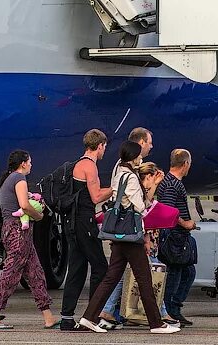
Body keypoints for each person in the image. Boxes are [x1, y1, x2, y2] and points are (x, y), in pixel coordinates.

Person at [78, 143, 179, 334]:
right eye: (139, 156)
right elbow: (140, 207)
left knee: (111, 278)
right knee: (144, 279)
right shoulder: (131, 177)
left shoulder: (118, 173)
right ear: (134, 157)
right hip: (131, 235)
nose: (141, 159)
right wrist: (149, 188)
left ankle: (88, 317)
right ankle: (156, 323)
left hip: (119, 235)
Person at [0, 150, 57, 330]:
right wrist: (39, 215)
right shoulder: (19, 179)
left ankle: (48, 317)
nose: (32, 165)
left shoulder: (8, 180)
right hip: (18, 231)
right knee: (11, 274)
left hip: (15, 231)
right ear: (23, 163)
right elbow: (24, 205)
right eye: (30, 162)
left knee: (36, 273)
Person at [59, 129, 113, 331]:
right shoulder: (89, 167)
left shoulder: (77, 164)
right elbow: (97, 196)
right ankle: (92, 315)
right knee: (100, 267)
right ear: (99, 146)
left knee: (77, 269)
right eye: (104, 147)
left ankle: (67, 316)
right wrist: (115, 188)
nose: (104, 150)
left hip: (72, 224)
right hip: (84, 223)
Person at [157, 148, 198, 327]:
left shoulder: (170, 181)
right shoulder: (173, 184)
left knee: (188, 271)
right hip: (174, 236)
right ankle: (169, 309)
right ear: (186, 164)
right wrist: (186, 223)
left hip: (178, 236)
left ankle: (174, 308)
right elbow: (168, 210)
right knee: (175, 273)